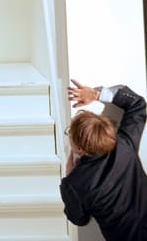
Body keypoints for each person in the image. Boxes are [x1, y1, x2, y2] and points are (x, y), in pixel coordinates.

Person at [60, 79, 147, 240]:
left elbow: (78, 219)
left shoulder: (75, 183)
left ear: (80, 148)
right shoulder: (124, 144)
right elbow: (137, 103)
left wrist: (68, 177)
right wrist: (96, 95)